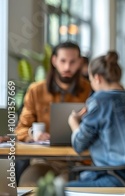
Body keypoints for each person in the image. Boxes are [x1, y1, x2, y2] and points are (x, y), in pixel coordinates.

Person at [67, 51, 125, 187]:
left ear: (97, 78)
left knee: (57, 189)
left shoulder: (99, 101)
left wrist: (74, 123)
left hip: (114, 178)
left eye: (90, 80)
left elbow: (79, 145)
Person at [14, 42, 92, 186]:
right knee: (29, 184)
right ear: (54, 60)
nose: (67, 67)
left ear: (80, 62)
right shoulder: (36, 91)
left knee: (63, 188)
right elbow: (20, 130)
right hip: (44, 159)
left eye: (72, 62)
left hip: (78, 162)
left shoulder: (90, 90)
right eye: (63, 61)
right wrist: (33, 134)